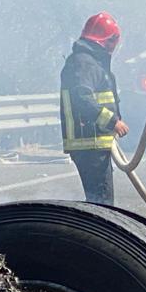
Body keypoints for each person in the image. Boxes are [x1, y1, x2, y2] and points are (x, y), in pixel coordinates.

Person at [60, 11, 129, 204]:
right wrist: (112, 121)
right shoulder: (85, 63)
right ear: (108, 41)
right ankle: (95, 233)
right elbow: (82, 98)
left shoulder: (89, 62)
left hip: (95, 143)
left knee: (101, 201)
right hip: (89, 143)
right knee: (102, 203)